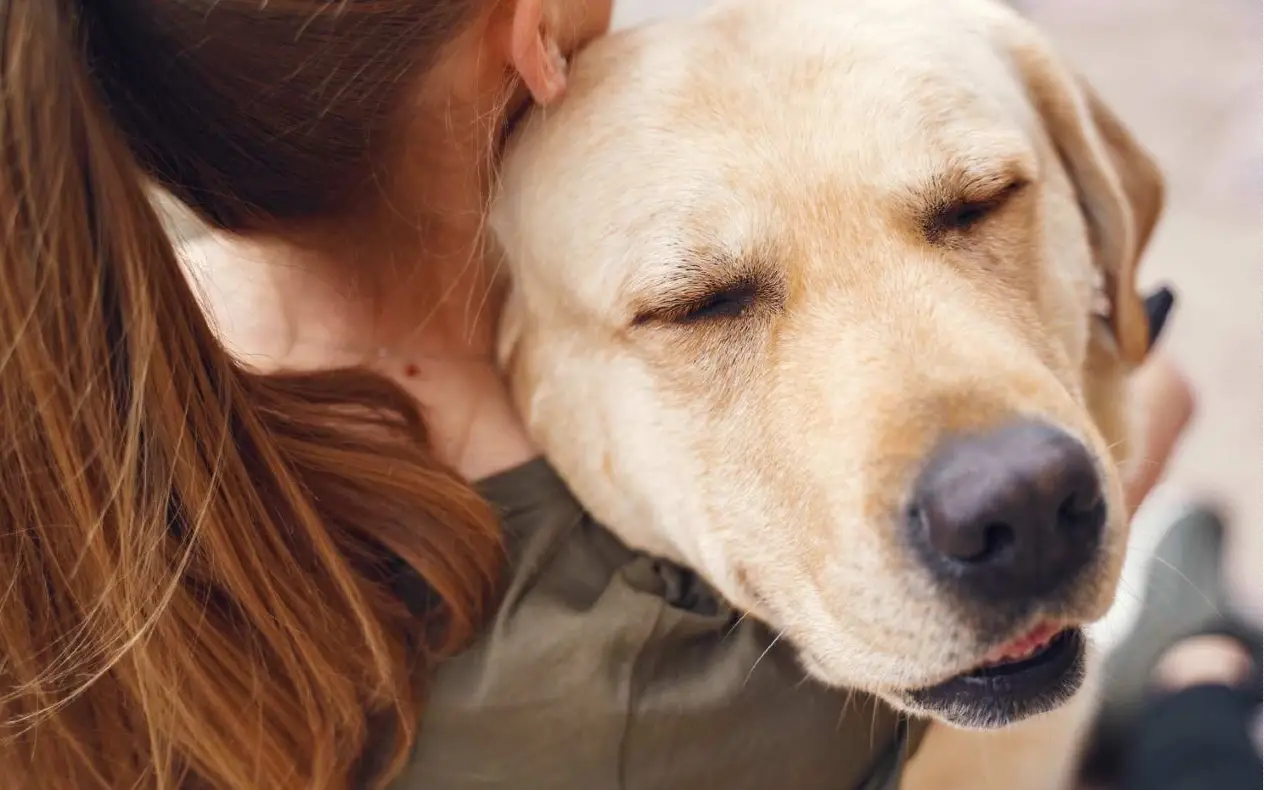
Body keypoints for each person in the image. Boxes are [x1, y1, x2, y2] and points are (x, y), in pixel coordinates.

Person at [0, 2, 1198, 789]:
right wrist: (1127, 410)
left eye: (976, 204)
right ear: (527, 33)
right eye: (708, 302)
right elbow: (1162, 394)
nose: (1013, 474)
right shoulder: (661, 684)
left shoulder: (66, 394)